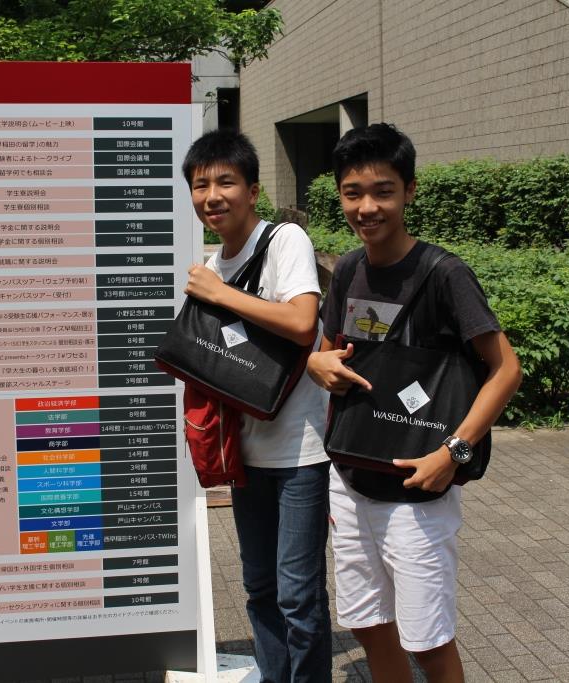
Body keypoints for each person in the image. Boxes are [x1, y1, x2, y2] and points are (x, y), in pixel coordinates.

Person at [307, 123, 522, 683]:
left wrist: (453, 453)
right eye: (353, 193)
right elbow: (329, 352)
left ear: (410, 191)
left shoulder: (445, 274)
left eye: (383, 191)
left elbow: (506, 369)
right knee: (369, 624)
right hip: (351, 477)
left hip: (418, 487)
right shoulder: (348, 269)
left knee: (427, 639)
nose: (367, 207)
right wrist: (317, 365)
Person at [181, 129, 331, 682]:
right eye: (200, 185)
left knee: (298, 594)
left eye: (225, 182)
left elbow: (302, 321)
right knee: (260, 587)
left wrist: (219, 294)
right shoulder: (212, 265)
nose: (212, 196)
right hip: (245, 452)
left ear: (253, 190)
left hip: (300, 450)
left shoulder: (285, 240)